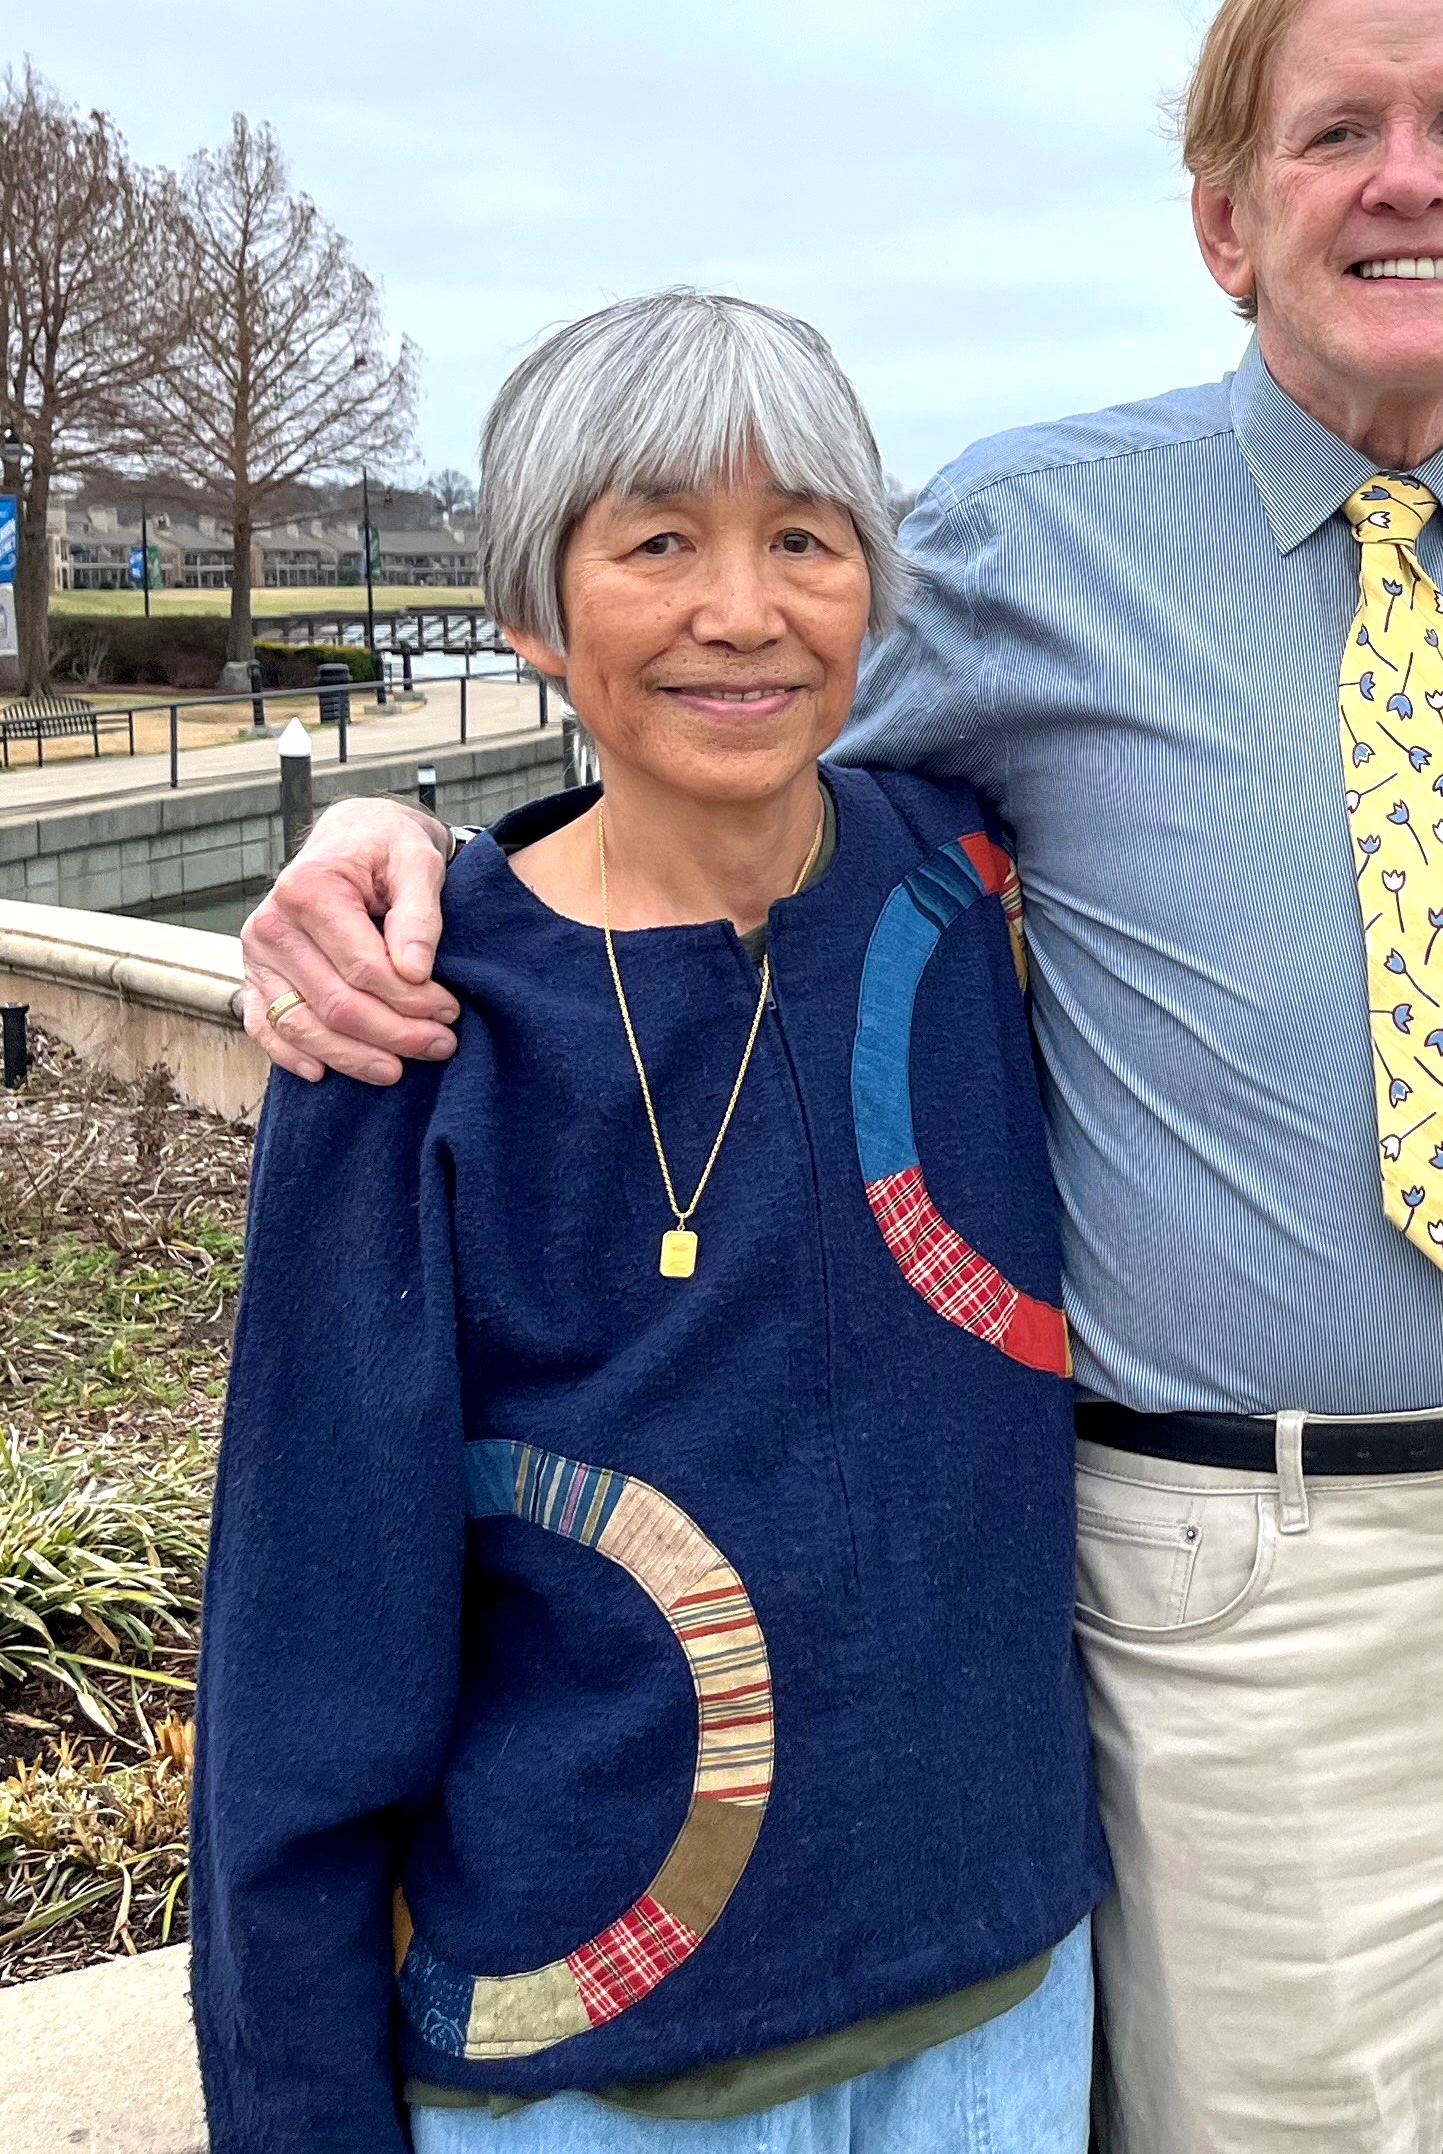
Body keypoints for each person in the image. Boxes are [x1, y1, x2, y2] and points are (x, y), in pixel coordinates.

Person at [238, 0, 1443, 2152]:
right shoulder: (1029, 546)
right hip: (1251, 1595)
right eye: (1338, 133)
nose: (1410, 175)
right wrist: (397, 837)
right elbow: (721, 725)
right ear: (1228, 221)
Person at [193, 292, 1107, 2154]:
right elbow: (310, 1639)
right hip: (591, 2068)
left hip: (1002, 1996)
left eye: (804, 540)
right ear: (534, 608)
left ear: (874, 588)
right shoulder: (418, 1026)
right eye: (658, 540)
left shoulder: (976, 891)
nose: (743, 609)